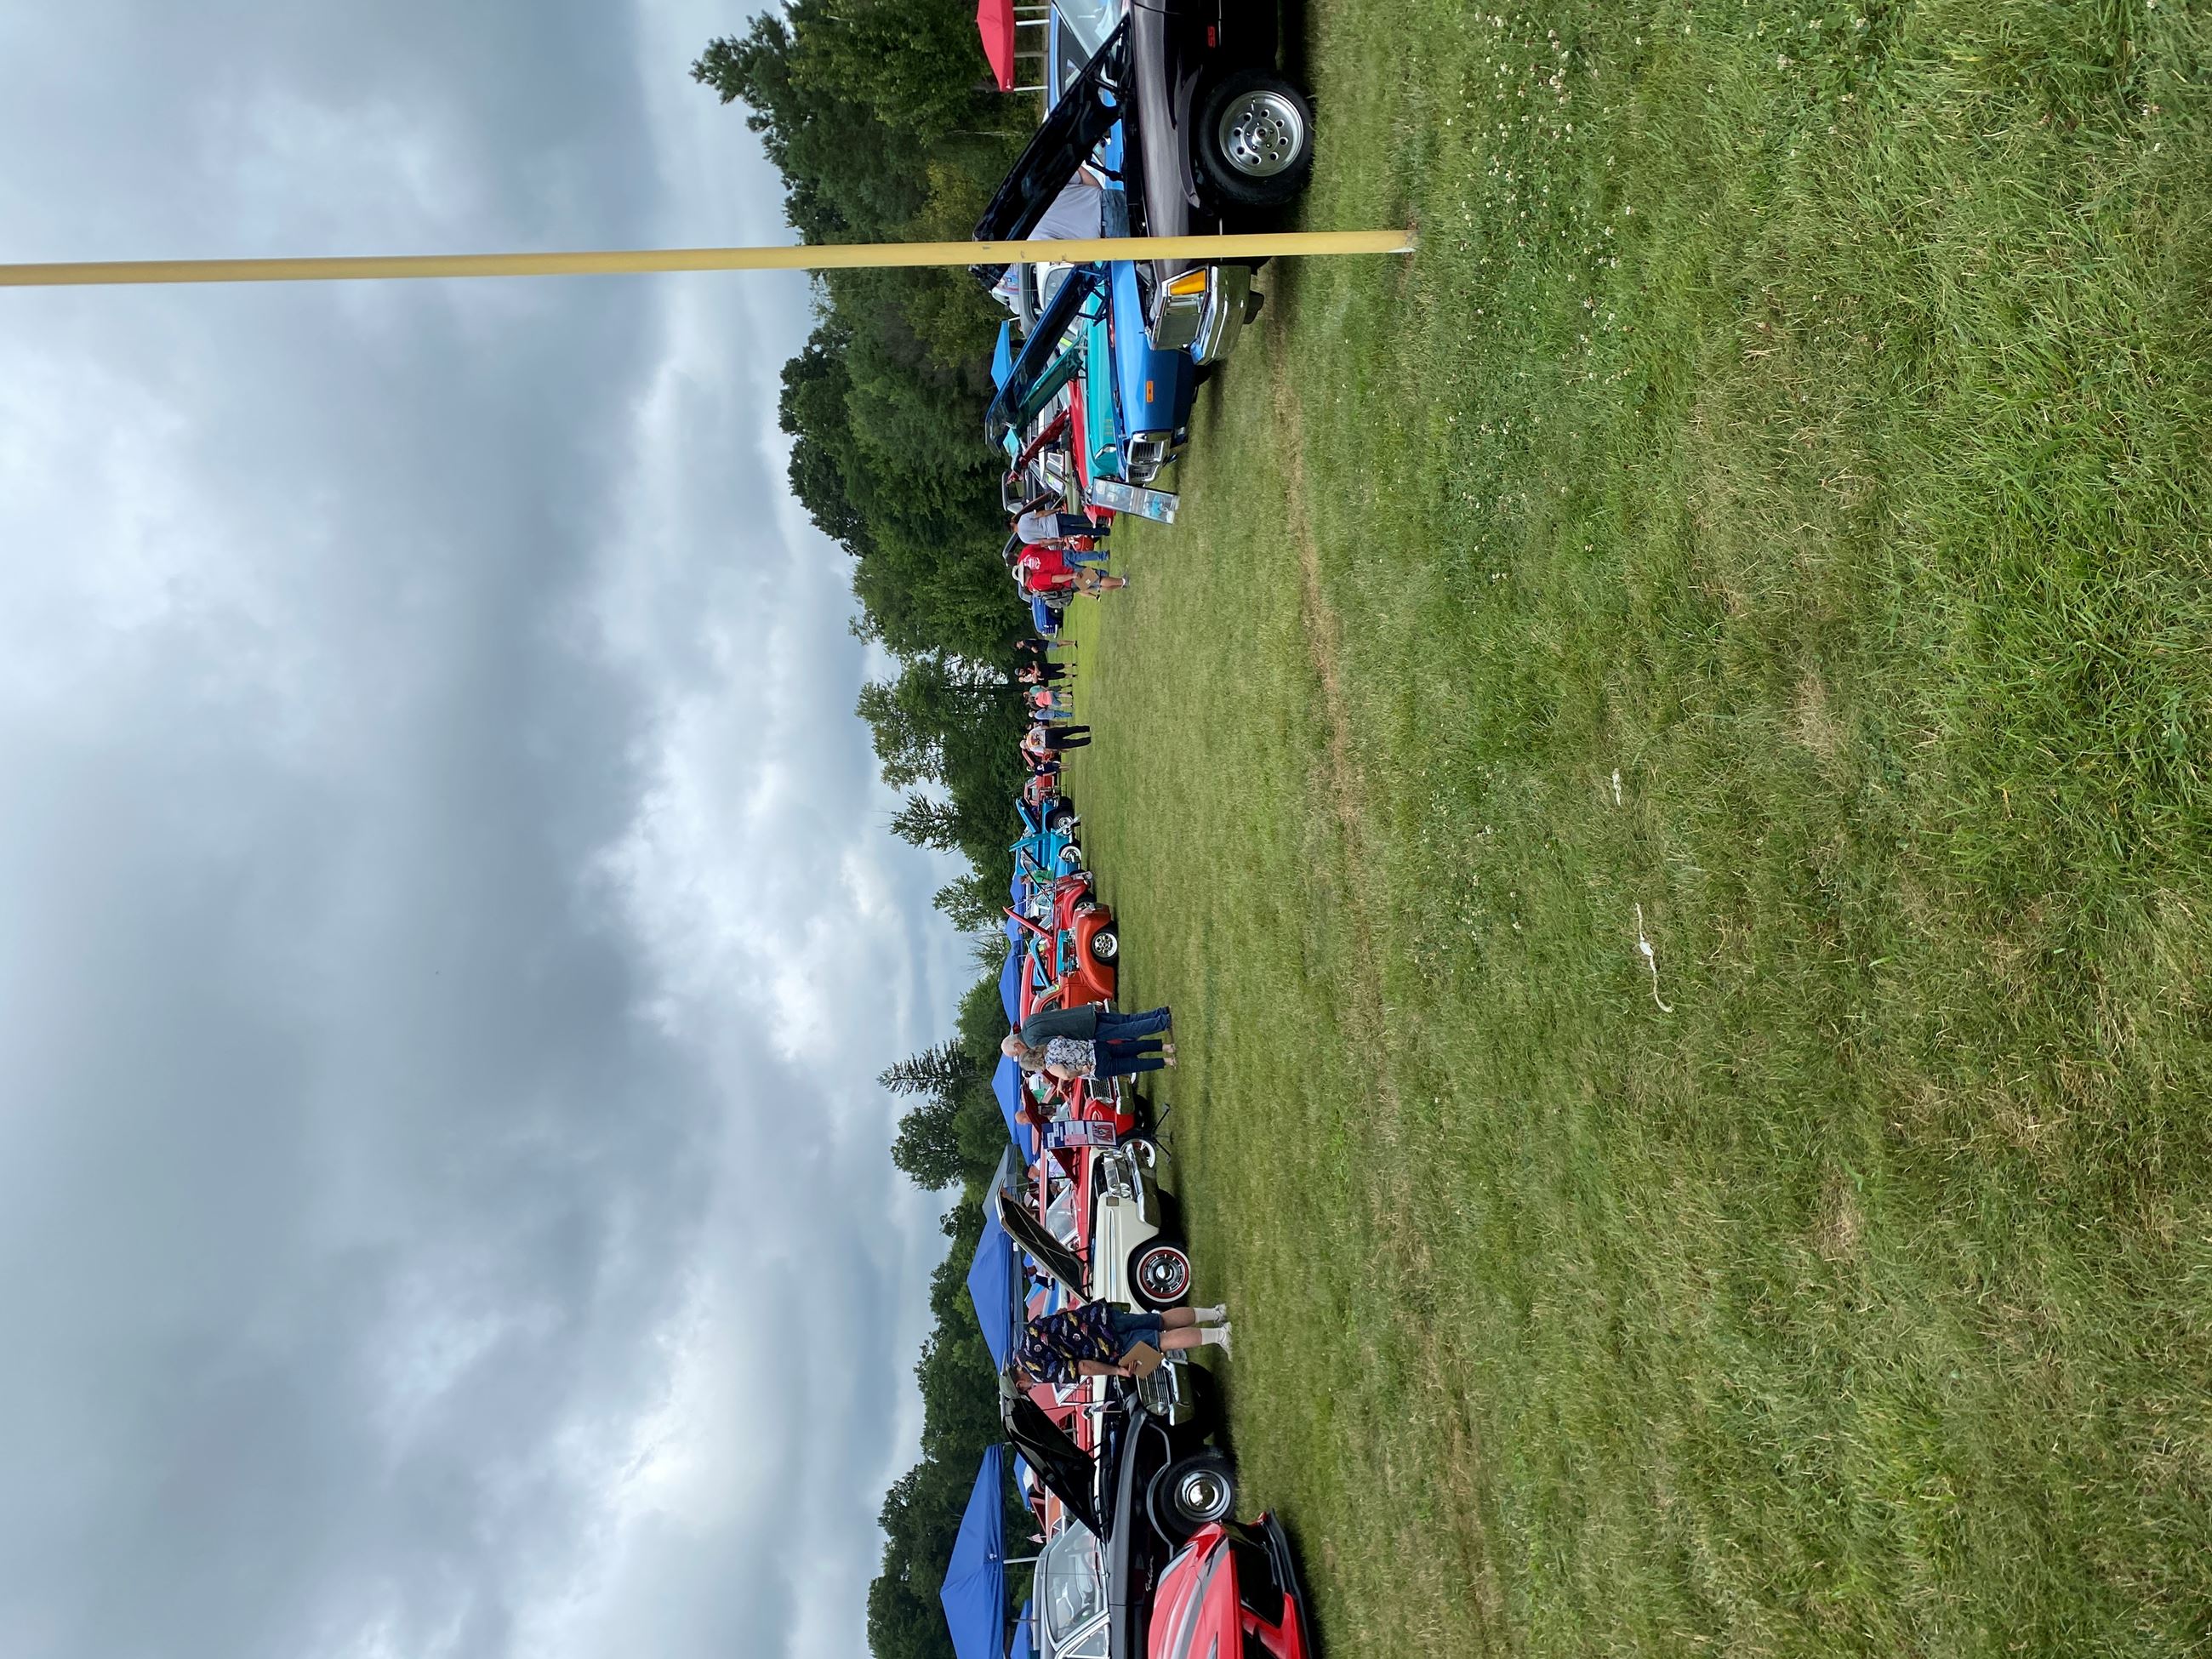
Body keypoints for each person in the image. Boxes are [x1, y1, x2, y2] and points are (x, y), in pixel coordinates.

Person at [1011, 1300, 1233, 1386]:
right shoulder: (1026, 1336)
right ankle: (1217, 1312)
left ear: (1020, 1384)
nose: (1031, 1388)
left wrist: (1117, 1371)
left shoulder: (1037, 1372)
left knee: (1160, 1342)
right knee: (1159, 1320)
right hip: (1100, 1316)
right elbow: (1060, 1314)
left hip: (1106, 1345)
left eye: (1026, 1390)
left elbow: (1082, 1367)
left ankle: (1222, 1335)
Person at [1013, 491, 1108, 549]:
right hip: (1054, 520)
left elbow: (1042, 542)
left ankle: (1104, 531)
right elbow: (1042, 514)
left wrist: (1056, 540)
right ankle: (1103, 519)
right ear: (1011, 523)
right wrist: (1055, 510)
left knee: (1081, 531)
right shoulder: (1023, 519)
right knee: (1079, 519)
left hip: (1055, 532)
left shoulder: (1024, 539)